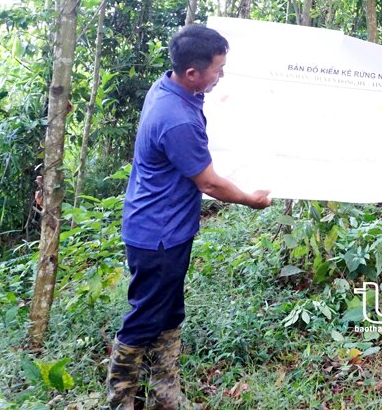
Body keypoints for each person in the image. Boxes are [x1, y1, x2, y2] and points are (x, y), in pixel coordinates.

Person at [106, 24, 271, 410]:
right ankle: (119, 400)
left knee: (169, 311)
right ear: (193, 73)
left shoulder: (168, 87)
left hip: (165, 228)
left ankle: (166, 395)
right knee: (145, 317)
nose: (222, 75)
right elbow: (210, 184)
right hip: (158, 234)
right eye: (217, 69)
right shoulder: (176, 117)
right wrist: (251, 200)